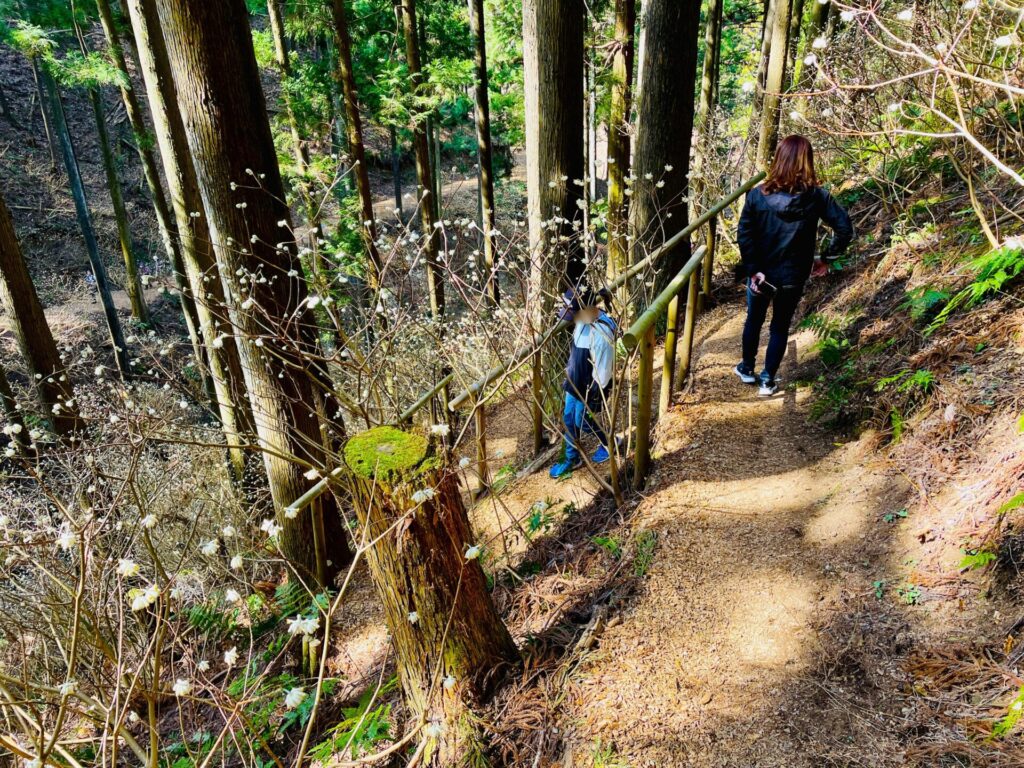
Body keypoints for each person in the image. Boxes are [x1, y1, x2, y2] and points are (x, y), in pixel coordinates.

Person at [736, 134, 854, 396]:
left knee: (754, 319)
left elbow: (744, 235)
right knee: (780, 325)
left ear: (779, 159)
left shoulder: (757, 196)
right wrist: (826, 259)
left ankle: (746, 368)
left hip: (760, 275)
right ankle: (767, 380)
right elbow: (844, 229)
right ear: (807, 161)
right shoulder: (818, 197)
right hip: (793, 275)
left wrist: (754, 269)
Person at [550, 286, 617, 479]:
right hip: (575, 377)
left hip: (590, 384)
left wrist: (595, 392)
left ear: (587, 309)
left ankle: (610, 443)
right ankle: (572, 457)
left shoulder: (602, 330)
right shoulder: (584, 320)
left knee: (585, 421)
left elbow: (603, 368)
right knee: (569, 416)